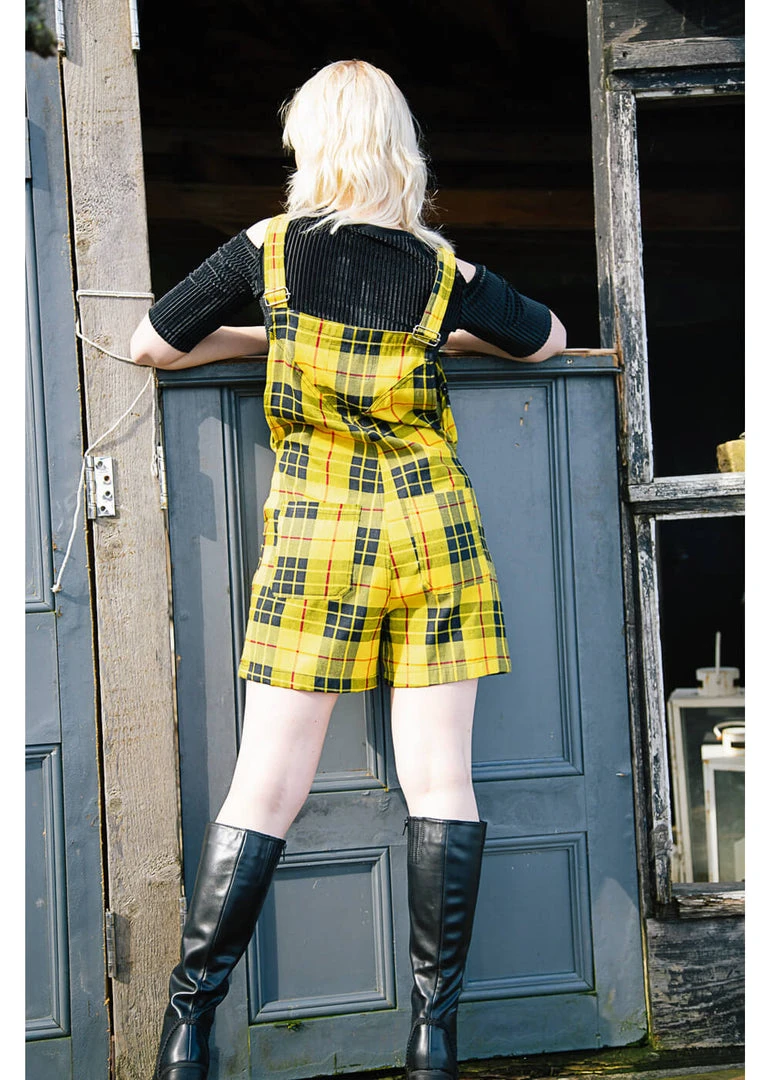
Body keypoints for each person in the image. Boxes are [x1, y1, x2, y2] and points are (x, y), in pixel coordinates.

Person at [131, 59, 566, 1080]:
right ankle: (431, 1043)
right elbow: (547, 341)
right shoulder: (440, 271)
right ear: (397, 148)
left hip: (319, 536)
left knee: (265, 784)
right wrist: (443, 338)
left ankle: (188, 1033)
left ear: (311, 147)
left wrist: (265, 337)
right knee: (442, 781)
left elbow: (152, 343)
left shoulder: (267, 251)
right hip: (433, 529)